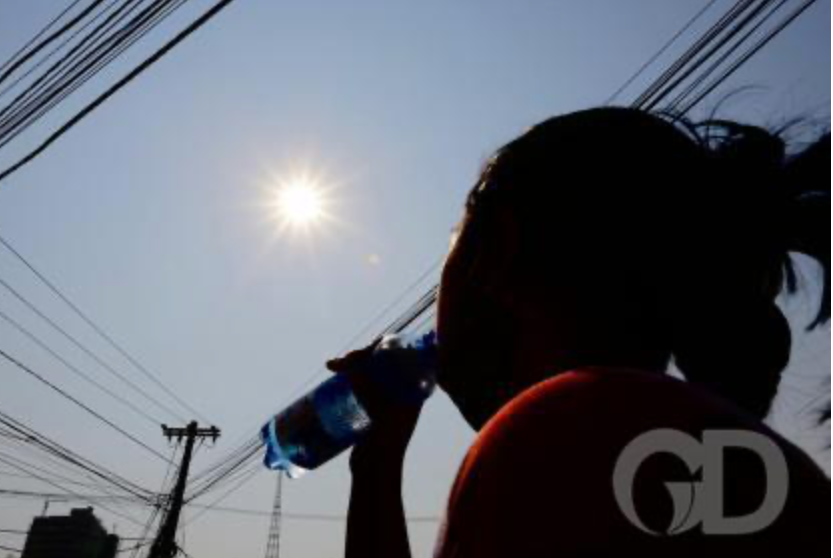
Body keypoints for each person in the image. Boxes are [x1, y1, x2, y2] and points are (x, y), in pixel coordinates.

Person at [328, 107, 831, 557]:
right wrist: (377, 467)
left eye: (454, 244)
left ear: (497, 246)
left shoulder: (562, 439)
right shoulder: (686, 457)